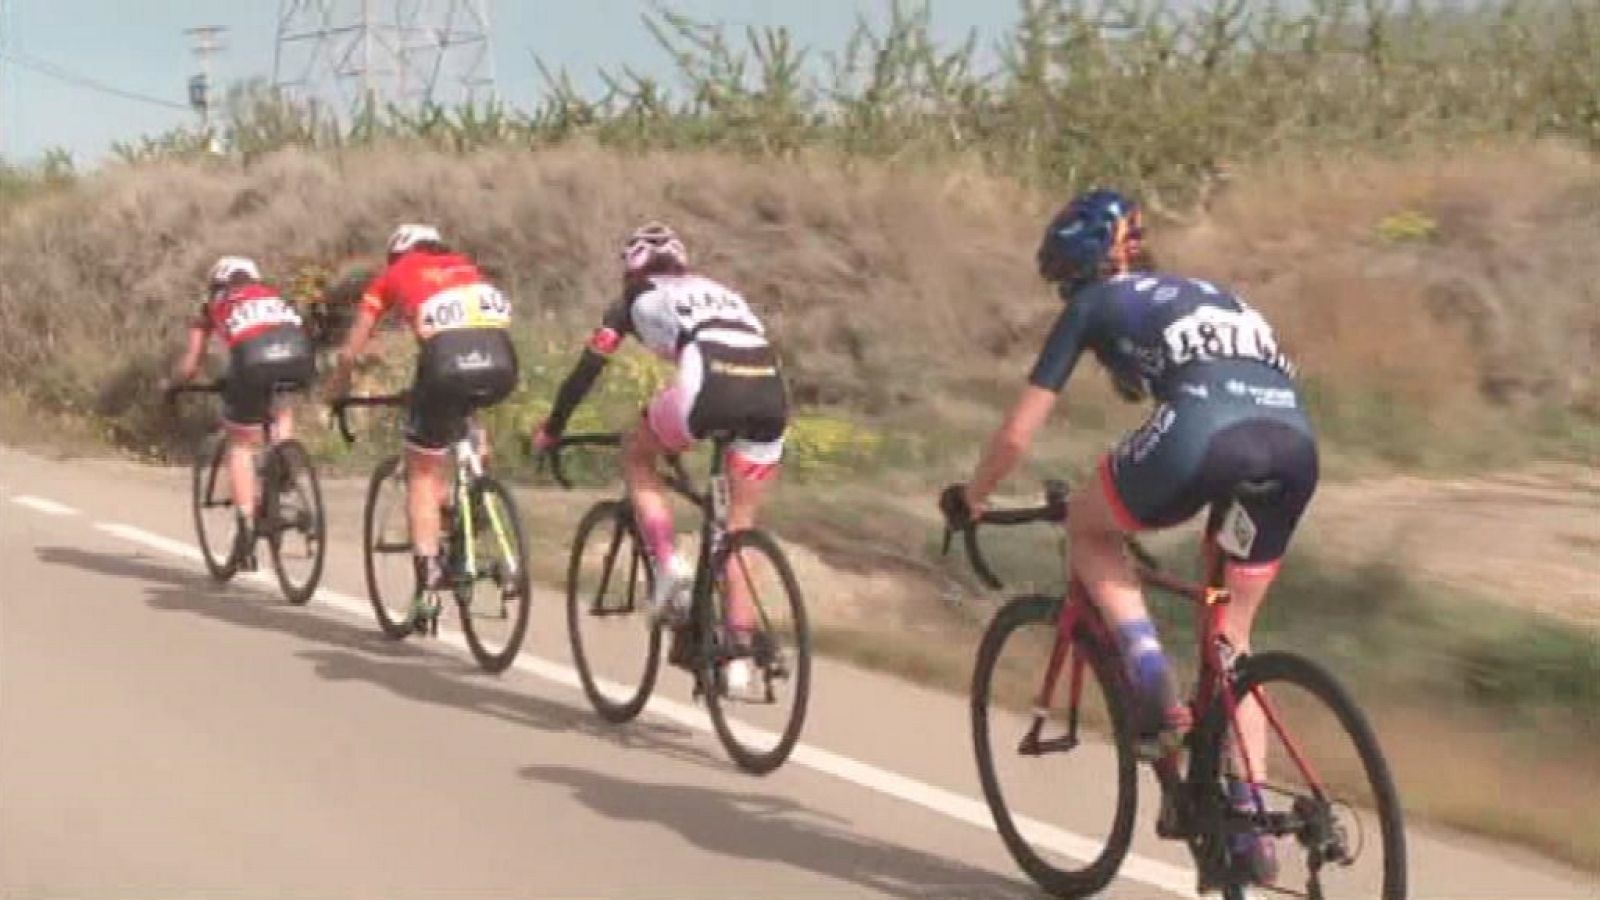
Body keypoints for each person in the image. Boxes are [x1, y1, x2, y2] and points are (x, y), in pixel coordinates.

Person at [941, 189, 1317, 885]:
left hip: (1205, 432)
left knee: (1089, 527)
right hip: (1293, 443)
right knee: (1231, 635)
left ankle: (1147, 677)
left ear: (1077, 272)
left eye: (1061, 282)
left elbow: (1018, 433)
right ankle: (1250, 824)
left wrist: (974, 498)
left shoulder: (1090, 305)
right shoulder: (1215, 294)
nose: (1062, 293)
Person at [533, 222, 788, 689]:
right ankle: (738, 651)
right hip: (769, 390)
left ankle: (669, 565)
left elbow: (588, 368)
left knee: (637, 454)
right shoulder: (720, 290)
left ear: (631, 269)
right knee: (738, 527)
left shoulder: (632, 300)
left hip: (709, 385)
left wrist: (553, 428)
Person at [326, 224, 519, 597]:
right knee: (466, 410)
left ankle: (429, 566)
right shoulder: (466, 268)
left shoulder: (392, 276)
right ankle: (473, 492)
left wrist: (337, 387)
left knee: (422, 471)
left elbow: (351, 351)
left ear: (397, 253)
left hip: (445, 362)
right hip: (500, 360)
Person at [173, 256, 316, 569]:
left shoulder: (213, 303)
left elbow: (192, 362)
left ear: (217, 284)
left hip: (253, 362)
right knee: (281, 409)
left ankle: (246, 524)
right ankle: (285, 463)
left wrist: (173, 386)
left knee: (240, 442)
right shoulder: (272, 295)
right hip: (298, 354)